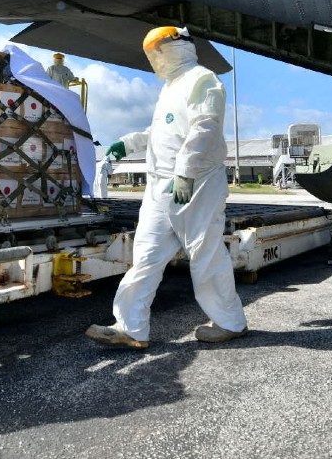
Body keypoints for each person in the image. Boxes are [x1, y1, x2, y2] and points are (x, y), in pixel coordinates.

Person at [85, 26, 247, 349]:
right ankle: (130, 328)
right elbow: (160, 132)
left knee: (206, 255)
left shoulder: (203, 80)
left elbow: (205, 129)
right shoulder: (170, 88)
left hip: (197, 185)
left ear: (178, 46)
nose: (154, 57)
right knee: (145, 256)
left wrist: (185, 173)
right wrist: (127, 144)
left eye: (158, 49)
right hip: (161, 188)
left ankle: (230, 322)